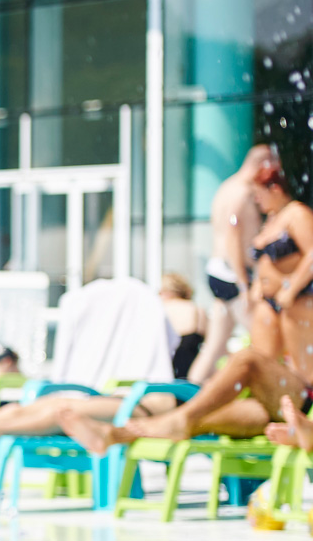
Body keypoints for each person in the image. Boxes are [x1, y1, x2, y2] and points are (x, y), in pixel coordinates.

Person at [59, 150, 313, 452]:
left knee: (244, 360)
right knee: (202, 417)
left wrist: (288, 286)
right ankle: (115, 435)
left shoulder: (297, 219)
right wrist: (258, 284)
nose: (255, 201)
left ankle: (173, 423)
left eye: (259, 194)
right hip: (272, 398)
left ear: (274, 188)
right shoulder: (272, 225)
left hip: (301, 392)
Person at [201, 145, 276, 381]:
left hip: (218, 270)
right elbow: (233, 234)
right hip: (231, 275)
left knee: (215, 346)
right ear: (263, 166)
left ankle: (188, 394)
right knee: (263, 335)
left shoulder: (226, 187)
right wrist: (244, 283)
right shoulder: (243, 192)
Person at [161, 273, 208, 381]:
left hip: (163, 375)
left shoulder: (160, 310)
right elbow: (208, 345)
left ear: (166, 292)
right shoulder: (198, 310)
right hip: (192, 374)